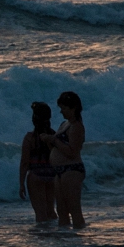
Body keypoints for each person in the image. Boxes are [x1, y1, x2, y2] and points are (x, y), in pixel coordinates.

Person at [48, 91, 86, 228]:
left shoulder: (77, 127)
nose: (61, 112)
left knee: (74, 209)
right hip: (59, 171)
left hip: (72, 170)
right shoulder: (65, 124)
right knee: (62, 210)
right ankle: (65, 241)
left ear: (73, 108)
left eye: (64, 108)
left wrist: (54, 140)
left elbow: (72, 151)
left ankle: (79, 238)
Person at [19, 101, 57, 222]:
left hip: (36, 176)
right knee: (51, 211)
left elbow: (25, 163)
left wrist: (21, 184)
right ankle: (57, 235)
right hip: (52, 176)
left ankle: (41, 239)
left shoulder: (30, 138)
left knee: (40, 214)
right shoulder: (54, 135)